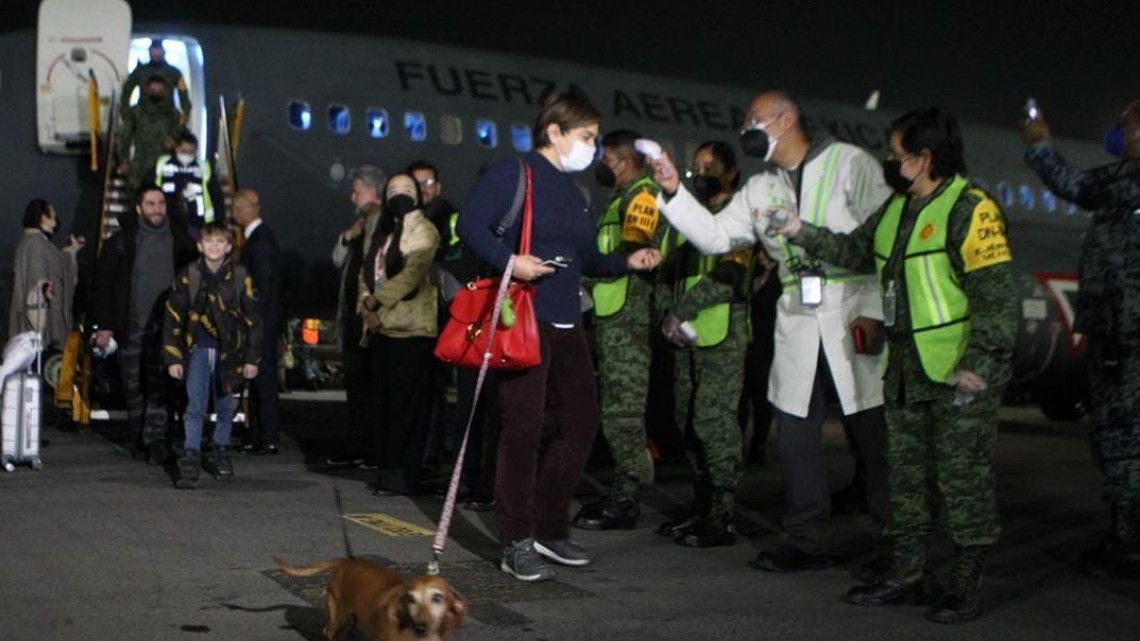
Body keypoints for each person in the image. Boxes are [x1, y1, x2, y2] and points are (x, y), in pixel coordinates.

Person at [769, 108, 1017, 623]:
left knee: (962, 481)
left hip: (957, 375)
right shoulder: (897, 210)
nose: (888, 161)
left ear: (924, 158)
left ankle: (965, 582)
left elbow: (997, 300)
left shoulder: (970, 209)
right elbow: (854, 250)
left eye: (896, 153)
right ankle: (908, 572)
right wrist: (800, 230)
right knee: (905, 480)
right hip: (904, 370)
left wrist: (979, 363)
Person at [651, 91, 891, 576]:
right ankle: (806, 539)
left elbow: (884, 242)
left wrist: (877, 311)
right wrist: (675, 191)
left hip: (854, 310)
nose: (746, 130)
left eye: (753, 121)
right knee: (795, 436)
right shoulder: (761, 187)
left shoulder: (851, 164)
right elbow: (717, 237)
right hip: (798, 315)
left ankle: (897, 545)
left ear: (786, 120)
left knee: (873, 434)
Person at [457, 92, 661, 582]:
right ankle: (516, 541)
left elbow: (588, 260)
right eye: (586, 137)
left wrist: (626, 262)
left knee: (581, 424)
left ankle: (549, 529)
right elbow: (469, 225)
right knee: (522, 431)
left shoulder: (575, 192)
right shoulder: (516, 173)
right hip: (524, 319)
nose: (592, 148)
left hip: (569, 322)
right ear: (555, 132)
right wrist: (512, 262)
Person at [1022, 98, 1140, 578]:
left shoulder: (1127, 181)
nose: (1119, 126)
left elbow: (1076, 185)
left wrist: (1039, 146)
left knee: (1122, 439)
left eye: (1128, 119)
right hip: (1122, 328)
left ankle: (1129, 543)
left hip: (1125, 331)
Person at [655, 141, 750, 547]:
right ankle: (702, 505)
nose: (700, 174)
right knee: (686, 422)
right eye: (695, 168)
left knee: (714, 425)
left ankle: (722, 515)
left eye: (710, 167)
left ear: (730, 172)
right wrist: (667, 315)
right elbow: (667, 270)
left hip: (722, 337)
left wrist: (683, 309)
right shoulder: (688, 218)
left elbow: (732, 273)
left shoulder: (741, 217)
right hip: (685, 339)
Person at [570, 129, 663, 532]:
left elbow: (632, 251)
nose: (603, 168)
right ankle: (621, 491)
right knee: (615, 409)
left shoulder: (642, 197)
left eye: (608, 161)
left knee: (623, 413)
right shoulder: (621, 198)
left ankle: (626, 500)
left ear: (625, 161)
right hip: (612, 315)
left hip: (628, 318)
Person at [93, 185, 197, 464]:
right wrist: (105, 325)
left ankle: (157, 442)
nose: (157, 209)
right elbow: (104, 286)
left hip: (166, 329)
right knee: (133, 386)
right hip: (133, 325)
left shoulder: (180, 241)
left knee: (161, 386)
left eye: (161, 203)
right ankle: (137, 437)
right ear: (139, 208)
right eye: (150, 204)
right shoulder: (121, 242)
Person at [358, 174, 440, 496]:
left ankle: (406, 475)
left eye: (406, 190)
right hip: (382, 329)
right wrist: (366, 307)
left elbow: (412, 275)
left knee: (410, 408)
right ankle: (387, 471)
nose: (399, 195)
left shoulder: (424, 231)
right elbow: (366, 275)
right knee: (385, 406)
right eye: (393, 190)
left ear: (418, 195)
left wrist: (377, 299)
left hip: (412, 330)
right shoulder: (382, 234)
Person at [162, 222, 261, 488]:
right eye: (209, 242)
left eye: (220, 242)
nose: (214, 247)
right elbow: (173, 318)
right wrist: (173, 357)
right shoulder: (189, 275)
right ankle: (191, 457)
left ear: (229, 247)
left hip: (231, 352)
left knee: (226, 404)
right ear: (200, 245)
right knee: (195, 404)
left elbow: (253, 319)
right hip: (197, 349)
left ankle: (221, 449)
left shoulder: (240, 276)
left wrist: (252, 358)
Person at [327, 166, 386, 468]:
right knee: (354, 383)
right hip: (350, 315)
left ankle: (370, 446)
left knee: (368, 385)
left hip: (368, 316)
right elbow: (338, 259)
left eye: (358, 189)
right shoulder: (360, 225)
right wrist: (348, 235)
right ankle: (356, 442)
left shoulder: (381, 222)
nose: (353, 195)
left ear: (375, 191)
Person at [233, 189, 282, 456]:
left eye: (236, 208)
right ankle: (260, 435)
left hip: (260, 322)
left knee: (263, 379)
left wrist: (251, 320)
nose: (234, 214)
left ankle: (268, 437)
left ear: (247, 209)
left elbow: (260, 288)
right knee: (259, 379)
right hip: (263, 320)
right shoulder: (259, 239)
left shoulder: (260, 242)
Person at [9, 200, 84, 349]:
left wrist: (71, 251)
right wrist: (44, 289)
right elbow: (38, 280)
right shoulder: (35, 243)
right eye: (53, 216)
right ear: (43, 218)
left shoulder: (33, 243)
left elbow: (58, 262)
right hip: (40, 329)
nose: (56, 221)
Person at [117, 75, 183, 193]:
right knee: (136, 197)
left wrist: (175, 145)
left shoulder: (174, 115)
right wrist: (123, 159)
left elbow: (183, 138)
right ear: (146, 90)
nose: (156, 94)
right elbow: (124, 137)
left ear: (166, 91)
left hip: (165, 165)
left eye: (159, 91)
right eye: (153, 91)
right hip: (140, 165)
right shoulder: (135, 112)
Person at [154, 131, 219, 230]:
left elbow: (216, 195)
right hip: (167, 220)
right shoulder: (163, 164)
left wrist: (217, 221)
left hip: (197, 221)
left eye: (191, 152)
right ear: (176, 148)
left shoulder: (203, 167)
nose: (187, 155)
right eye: (184, 151)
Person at [121, 39, 191, 125]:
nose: (156, 53)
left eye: (158, 50)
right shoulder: (140, 71)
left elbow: (184, 96)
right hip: (143, 118)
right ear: (149, 52)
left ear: (163, 52)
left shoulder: (174, 72)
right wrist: (126, 113)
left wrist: (185, 116)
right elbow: (126, 90)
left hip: (167, 118)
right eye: (153, 50)